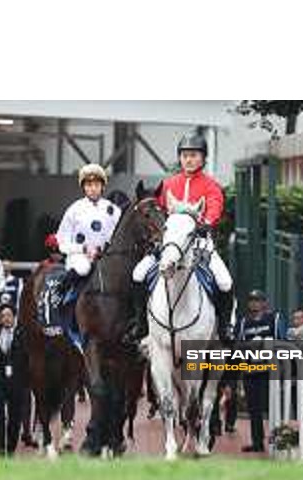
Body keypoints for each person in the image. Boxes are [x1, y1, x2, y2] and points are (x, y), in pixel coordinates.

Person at [127, 132, 235, 343]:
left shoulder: (211, 186)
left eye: (194, 155)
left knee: (225, 281)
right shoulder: (168, 185)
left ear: (203, 159)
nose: (189, 159)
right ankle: (141, 324)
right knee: (138, 274)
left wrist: (207, 223)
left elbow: (214, 210)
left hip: (200, 245)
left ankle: (224, 328)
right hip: (169, 245)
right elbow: (157, 212)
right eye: (185, 155)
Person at [55, 164, 122, 297]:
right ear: (83, 187)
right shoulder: (74, 209)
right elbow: (62, 243)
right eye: (89, 185)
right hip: (79, 257)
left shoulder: (113, 210)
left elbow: (118, 238)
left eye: (96, 185)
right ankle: (60, 293)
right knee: (83, 268)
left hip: (106, 257)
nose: (93, 189)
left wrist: (103, 251)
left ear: (103, 187)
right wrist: (84, 249)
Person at [235, 290, 287, 453]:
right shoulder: (244, 322)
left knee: (274, 406)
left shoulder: (274, 318)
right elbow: (238, 345)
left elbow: (282, 341)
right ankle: (257, 442)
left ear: (265, 302)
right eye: (251, 300)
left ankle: (279, 440)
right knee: (254, 409)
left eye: (258, 300)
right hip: (250, 370)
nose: (254, 303)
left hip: (269, 370)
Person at [0, 304, 31, 457]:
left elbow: (28, 359)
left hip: (17, 383)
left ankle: (11, 448)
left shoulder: (22, 335)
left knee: (15, 417)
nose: (6, 318)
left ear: (14, 318)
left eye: (9, 315)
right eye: (3, 316)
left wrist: (27, 380)